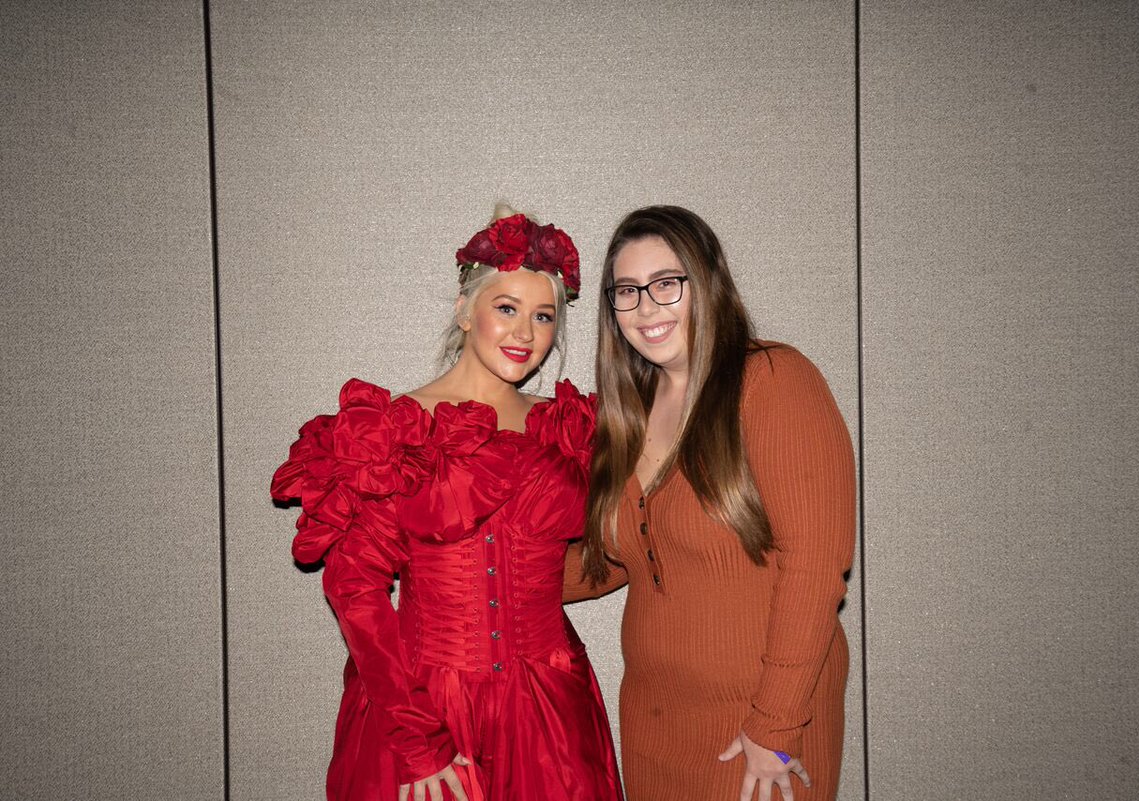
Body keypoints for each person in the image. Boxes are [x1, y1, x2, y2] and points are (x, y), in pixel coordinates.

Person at [273, 210, 624, 801]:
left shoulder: (569, 430)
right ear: (465, 310)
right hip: (424, 708)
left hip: (549, 716)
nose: (525, 333)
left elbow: (622, 541)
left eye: (543, 316)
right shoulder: (395, 432)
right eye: (506, 308)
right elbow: (355, 589)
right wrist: (418, 741)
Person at [565, 205, 855, 801]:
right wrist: (472, 580)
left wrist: (775, 726)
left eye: (666, 283)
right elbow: (624, 556)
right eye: (627, 291)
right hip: (655, 724)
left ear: (708, 283)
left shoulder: (773, 381)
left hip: (757, 730)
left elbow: (815, 566)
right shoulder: (629, 414)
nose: (647, 307)